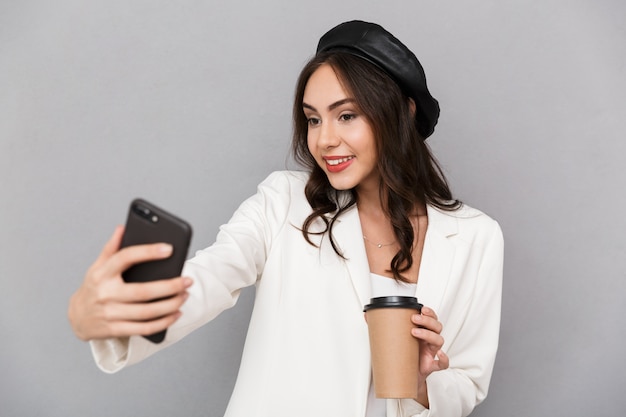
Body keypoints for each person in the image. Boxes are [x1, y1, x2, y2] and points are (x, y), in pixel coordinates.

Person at [68, 20, 503, 417]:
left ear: (403, 113)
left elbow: (467, 383)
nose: (325, 140)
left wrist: (424, 384)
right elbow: (212, 275)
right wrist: (111, 316)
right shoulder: (284, 202)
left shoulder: (475, 238)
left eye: (346, 115)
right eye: (313, 119)